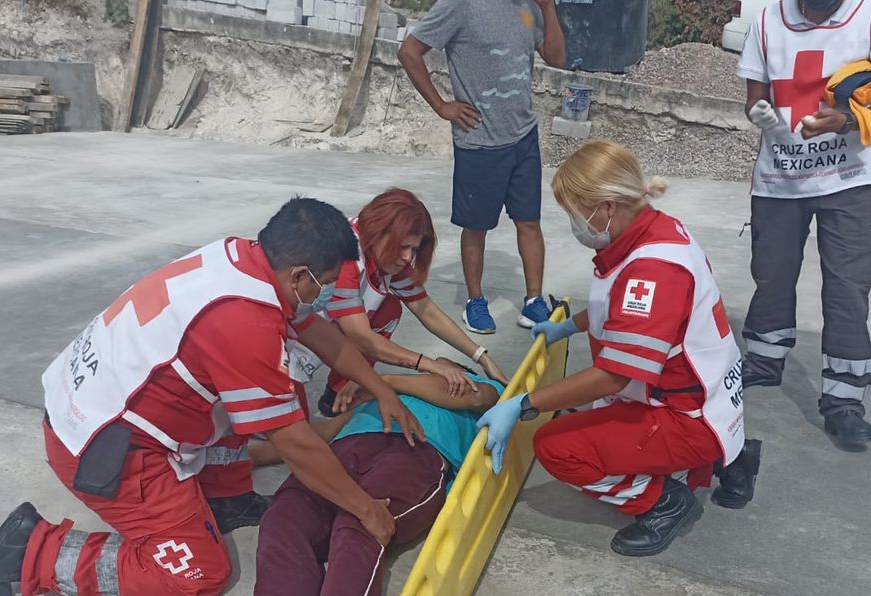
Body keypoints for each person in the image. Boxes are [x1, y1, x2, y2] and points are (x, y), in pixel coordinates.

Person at [0, 198, 426, 596]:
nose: (324, 296)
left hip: (98, 405)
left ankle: (227, 498)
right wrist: (367, 510)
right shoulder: (244, 320)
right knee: (200, 575)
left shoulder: (243, 260)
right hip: (105, 450)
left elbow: (320, 332)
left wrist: (383, 389)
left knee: (233, 400)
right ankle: (34, 550)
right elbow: (296, 445)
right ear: (299, 276)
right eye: (323, 285)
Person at [479, 141, 763, 558]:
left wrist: (524, 404)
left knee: (557, 447)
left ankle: (665, 501)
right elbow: (625, 311)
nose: (575, 224)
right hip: (709, 399)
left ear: (606, 207)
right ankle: (732, 456)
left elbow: (614, 375)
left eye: (576, 211)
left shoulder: (652, 271)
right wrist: (570, 327)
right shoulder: (655, 231)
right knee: (588, 417)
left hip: (686, 415)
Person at [188, 371, 504, 596]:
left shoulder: (469, 386)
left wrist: (379, 381)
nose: (436, 365)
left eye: (443, 363)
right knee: (282, 520)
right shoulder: (374, 397)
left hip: (418, 452)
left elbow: (474, 398)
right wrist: (242, 458)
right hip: (342, 452)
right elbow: (318, 435)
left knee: (360, 526)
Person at [736, 0, 871, 450]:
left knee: (847, 287)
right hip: (778, 178)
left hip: (849, 180)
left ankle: (844, 401)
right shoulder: (767, 19)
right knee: (771, 274)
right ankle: (764, 359)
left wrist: (850, 120)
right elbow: (754, 98)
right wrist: (759, 112)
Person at [398, 0, 566, 335]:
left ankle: (534, 301)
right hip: (479, 141)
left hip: (523, 135)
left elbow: (556, 58)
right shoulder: (461, 5)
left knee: (529, 222)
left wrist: (548, 7)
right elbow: (409, 52)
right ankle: (475, 301)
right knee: (476, 227)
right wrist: (441, 105)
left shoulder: (530, 8)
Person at [286, 188, 510, 416]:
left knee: (388, 310)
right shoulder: (345, 256)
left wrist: (481, 356)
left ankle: (338, 393)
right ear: (377, 231)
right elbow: (360, 336)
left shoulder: (388, 259)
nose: (407, 257)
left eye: (413, 249)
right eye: (402, 246)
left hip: (314, 330)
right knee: (288, 433)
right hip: (284, 336)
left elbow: (426, 310)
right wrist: (430, 365)